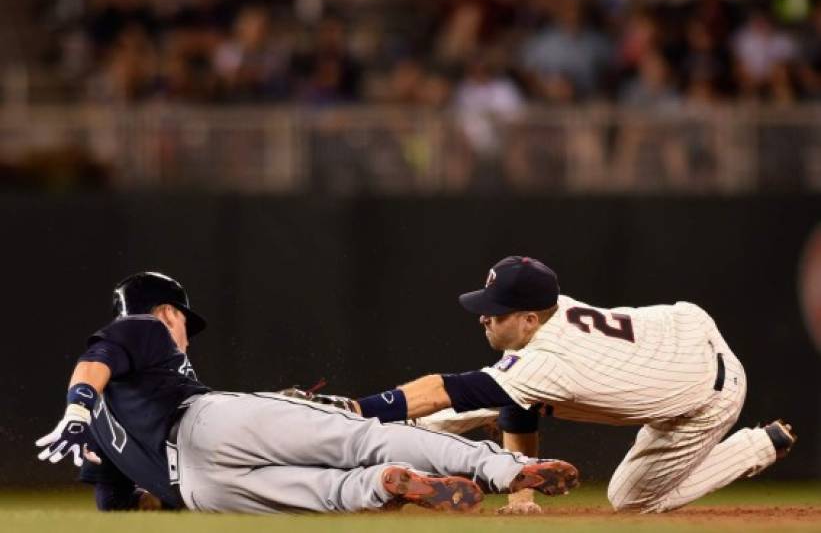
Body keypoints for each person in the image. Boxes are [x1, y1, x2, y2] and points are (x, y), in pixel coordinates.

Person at [35, 271, 579, 514]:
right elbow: (96, 361)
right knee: (363, 438)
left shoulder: (102, 432)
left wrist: (101, 432)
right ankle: (503, 469)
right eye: (184, 321)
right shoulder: (145, 326)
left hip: (202, 492)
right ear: (169, 312)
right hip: (205, 421)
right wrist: (77, 405)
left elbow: (117, 506)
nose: (183, 332)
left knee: (327, 495)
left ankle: (384, 488)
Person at [349, 256, 797, 514]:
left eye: (496, 311)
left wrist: (358, 408)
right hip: (682, 332)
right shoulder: (551, 310)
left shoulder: (549, 360)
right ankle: (359, 454)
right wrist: (521, 492)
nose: (484, 316)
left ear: (529, 319)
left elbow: (441, 391)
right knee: (477, 403)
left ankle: (757, 447)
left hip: (704, 396)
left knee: (629, 500)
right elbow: (516, 404)